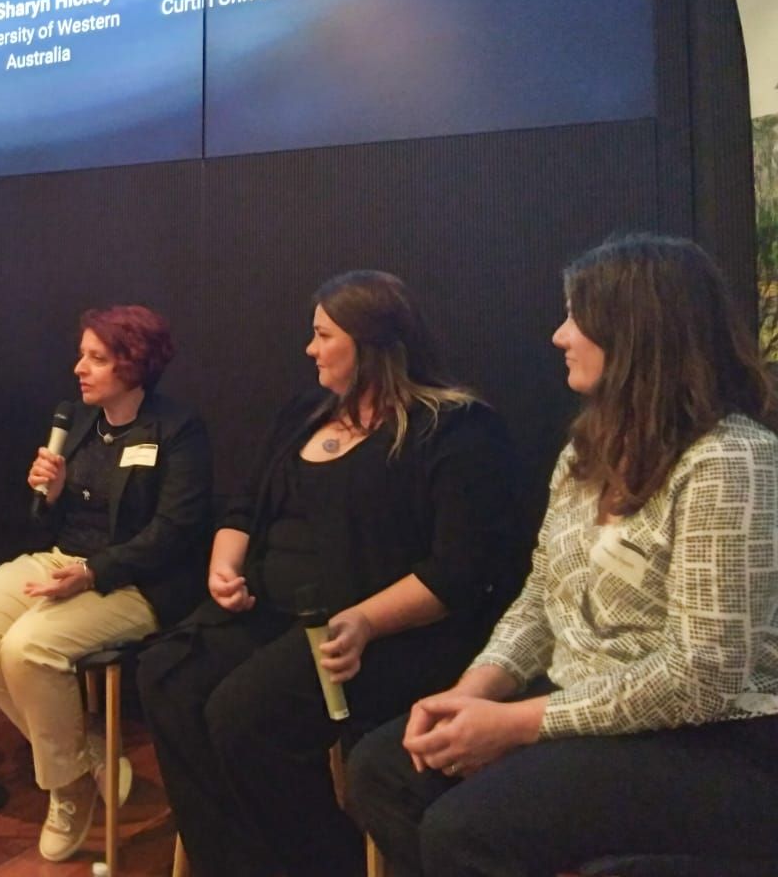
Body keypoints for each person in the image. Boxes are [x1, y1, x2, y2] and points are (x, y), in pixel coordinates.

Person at [346, 235, 778, 876]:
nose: (558, 335)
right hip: (586, 708)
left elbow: (702, 677)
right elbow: (541, 598)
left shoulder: (731, 459)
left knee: (465, 831)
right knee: (383, 770)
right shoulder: (587, 452)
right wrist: (472, 694)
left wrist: (519, 724)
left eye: (576, 317)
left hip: (712, 739)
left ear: (636, 331)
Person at [135, 271, 525, 877]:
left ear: (369, 342)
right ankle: (232, 863)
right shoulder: (306, 411)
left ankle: (324, 863)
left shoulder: (453, 429)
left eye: (323, 335)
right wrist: (224, 565)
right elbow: (243, 506)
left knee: (245, 715)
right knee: (168, 676)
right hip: (270, 608)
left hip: (378, 631)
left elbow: (458, 571)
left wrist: (365, 620)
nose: (310, 349)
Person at [0, 306, 212, 863]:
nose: (79, 369)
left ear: (133, 364)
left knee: (27, 647)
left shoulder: (178, 429)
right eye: (81, 354)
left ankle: (66, 792)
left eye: (96, 358)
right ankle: (85, 751)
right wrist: (51, 493)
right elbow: (45, 525)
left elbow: (176, 530)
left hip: (137, 581)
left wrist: (95, 572)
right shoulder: (80, 422)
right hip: (64, 558)